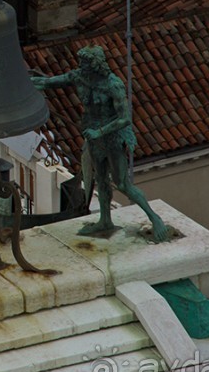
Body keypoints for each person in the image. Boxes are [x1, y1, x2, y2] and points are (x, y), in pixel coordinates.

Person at [31, 46, 169, 242]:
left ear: (95, 65)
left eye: (85, 63)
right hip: (94, 138)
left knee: (122, 183)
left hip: (112, 137)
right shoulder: (79, 77)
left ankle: (155, 218)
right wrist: (22, 82)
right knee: (101, 179)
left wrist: (100, 131)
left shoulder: (113, 85)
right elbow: (48, 82)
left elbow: (124, 119)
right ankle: (105, 220)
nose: (81, 66)